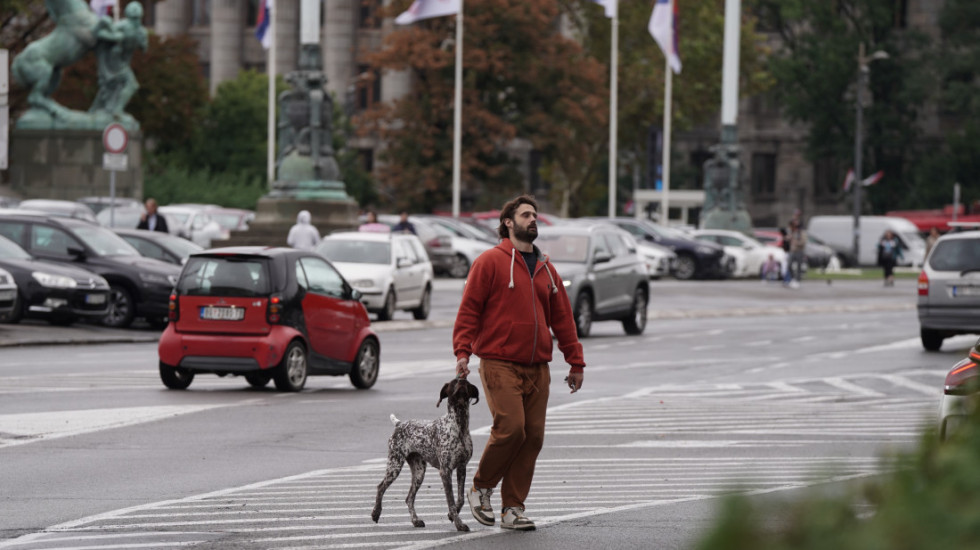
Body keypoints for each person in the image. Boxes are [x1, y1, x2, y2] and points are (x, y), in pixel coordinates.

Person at [453, 194, 585, 531]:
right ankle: (481, 488)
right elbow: (469, 311)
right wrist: (463, 352)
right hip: (499, 362)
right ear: (508, 222)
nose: (533, 219)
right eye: (526, 214)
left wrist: (575, 362)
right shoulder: (489, 262)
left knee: (533, 437)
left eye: (535, 215)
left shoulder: (546, 269)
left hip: (538, 367)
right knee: (511, 428)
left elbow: (564, 320)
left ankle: (512, 509)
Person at [784, 219, 806, 285]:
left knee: (799, 266)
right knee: (789, 265)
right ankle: (793, 278)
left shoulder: (801, 232)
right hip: (792, 251)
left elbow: (803, 242)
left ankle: (797, 281)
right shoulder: (792, 232)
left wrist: (796, 242)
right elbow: (788, 238)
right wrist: (787, 238)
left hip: (799, 251)